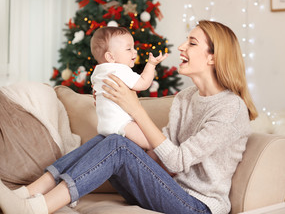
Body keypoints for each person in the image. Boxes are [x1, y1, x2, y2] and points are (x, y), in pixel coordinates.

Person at [0, 20, 258, 214]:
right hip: (166, 188)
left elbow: (178, 161)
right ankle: (28, 193)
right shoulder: (186, 97)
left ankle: (38, 208)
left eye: (191, 43)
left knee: (117, 144)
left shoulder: (229, 109)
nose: (181, 47)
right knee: (109, 138)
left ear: (213, 56)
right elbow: (161, 155)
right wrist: (118, 118)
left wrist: (133, 109)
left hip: (196, 206)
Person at [90, 26, 168, 150]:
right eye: (128, 49)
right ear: (111, 57)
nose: (134, 52)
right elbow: (143, 83)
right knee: (155, 146)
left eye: (133, 47)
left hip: (105, 125)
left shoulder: (98, 72)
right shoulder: (119, 69)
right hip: (122, 124)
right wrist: (151, 65)